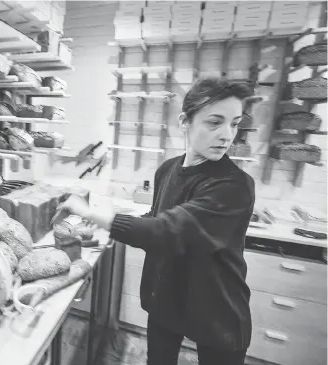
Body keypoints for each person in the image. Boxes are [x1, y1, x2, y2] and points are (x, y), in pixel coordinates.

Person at [56, 78, 256, 365]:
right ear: (185, 121)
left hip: (217, 308)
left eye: (234, 124)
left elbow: (167, 231)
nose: (227, 135)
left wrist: (91, 212)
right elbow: (157, 218)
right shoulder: (167, 170)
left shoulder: (234, 185)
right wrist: (105, 223)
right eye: (215, 122)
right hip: (167, 300)